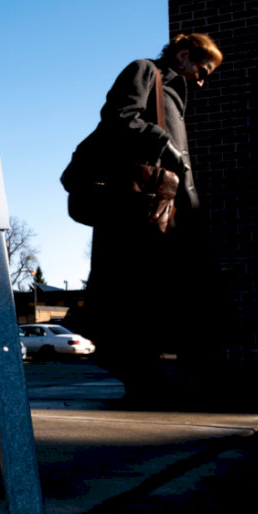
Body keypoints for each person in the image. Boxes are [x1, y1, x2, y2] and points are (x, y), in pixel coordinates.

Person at [70, 33, 223, 399]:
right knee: (131, 297)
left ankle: (163, 378)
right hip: (136, 213)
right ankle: (144, 381)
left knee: (166, 298)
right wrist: (164, 144)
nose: (202, 81)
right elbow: (119, 118)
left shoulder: (174, 95)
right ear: (184, 55)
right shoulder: (145, 72)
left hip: (168, 216)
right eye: (202, 70)